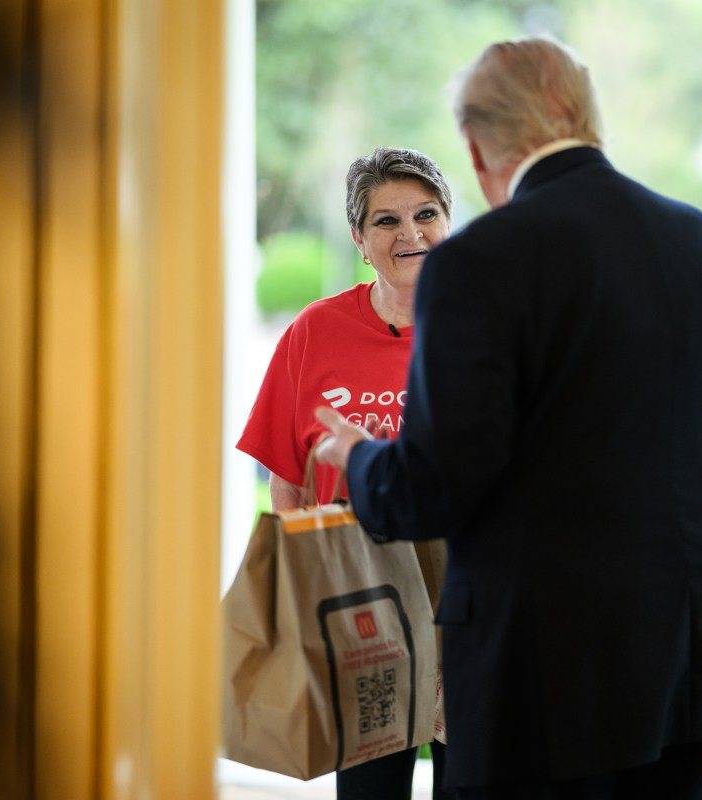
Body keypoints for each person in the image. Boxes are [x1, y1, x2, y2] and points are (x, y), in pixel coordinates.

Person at [314, 36, 702, 800]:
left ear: (477, 151)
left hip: (552, 667)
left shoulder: (479, 261)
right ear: (586, 116)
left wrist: (357, 457)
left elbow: (439, 485)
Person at [236, 146, 451, 800]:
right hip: (359, 609)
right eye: (386, 221)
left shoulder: (484, 331)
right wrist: (311, 594)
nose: (409, 234)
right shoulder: (314, 332)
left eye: (426, 214)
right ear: (359, 239)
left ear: (449, 224)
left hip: (464, 614)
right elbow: (287, 480)